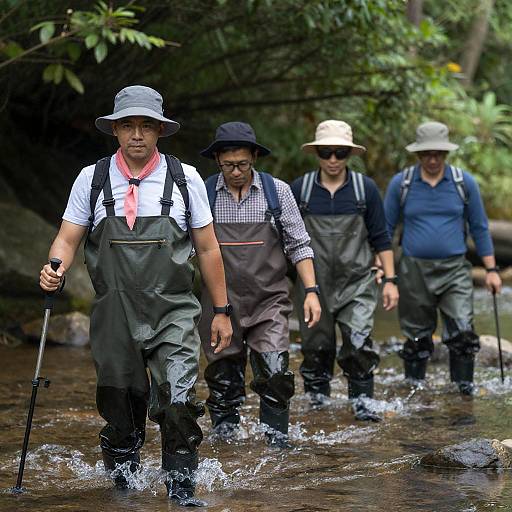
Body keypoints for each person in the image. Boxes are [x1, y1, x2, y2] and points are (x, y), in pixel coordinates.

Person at [39, 85, 232, 507]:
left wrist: (221, 311)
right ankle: (123, 490)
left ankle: (182, 491)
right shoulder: (91, 179)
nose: (137, 134)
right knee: (121, 412)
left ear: (161, 130)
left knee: (179, 403)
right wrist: (55, 267)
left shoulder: (186, 178)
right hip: (113, 315)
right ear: (115, 130)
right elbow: (68, 238)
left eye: (147, 125)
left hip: (174, 313)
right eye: (128, 125)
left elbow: (208, 248)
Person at [198, 121, 321, 447]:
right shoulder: (204, 194)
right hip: (219, 305)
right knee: (223, 381)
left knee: (275, 375)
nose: (236, 172)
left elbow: (299, 245)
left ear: (254, 157)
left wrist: (311, 291)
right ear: (217, 161)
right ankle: (225, 449)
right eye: (228, 165)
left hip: (270, 302)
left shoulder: (278, 192)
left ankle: (277, 446)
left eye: (242, 164)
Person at [290, 120, 399, 422]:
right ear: (318, 154)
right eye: (327, 152)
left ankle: (363, 404)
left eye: (340, 152)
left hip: (358, 284)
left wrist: (390, 280)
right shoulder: (302, 190)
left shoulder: (366, 189)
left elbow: (381, 237)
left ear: (349, 154)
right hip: (314, 285)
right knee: (316, 349)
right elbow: (288, 240)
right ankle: (318, 407)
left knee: (359, 344)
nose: (334, 159)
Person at [384, 121, 502, 395]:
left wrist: (492, 269)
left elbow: (480, 227)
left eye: (438, 153)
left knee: (462, 332)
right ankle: (415, 393)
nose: (433, 159)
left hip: (455, 271)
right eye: (427, 154)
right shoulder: (401, 184)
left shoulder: (463, 183)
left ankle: (463, 393)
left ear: (446, 153)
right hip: (413, 270)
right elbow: (385, 231)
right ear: (418, 155)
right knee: (416, 337)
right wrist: (387, 274)